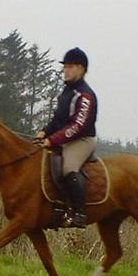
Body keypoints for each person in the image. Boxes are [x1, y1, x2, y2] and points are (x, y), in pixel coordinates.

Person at [35, 47, 97, 228]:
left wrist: (52, 140)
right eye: (65, 67)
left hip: (81, 140)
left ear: (81, 69)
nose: (66, 70)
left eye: (70, 67)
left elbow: (78, 126)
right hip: (64, 139)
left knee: (68, 168)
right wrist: (44, 132)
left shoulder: (84, 95)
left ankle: (79, 213)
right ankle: (58, 208)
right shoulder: (66, 92)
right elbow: (57, 119)